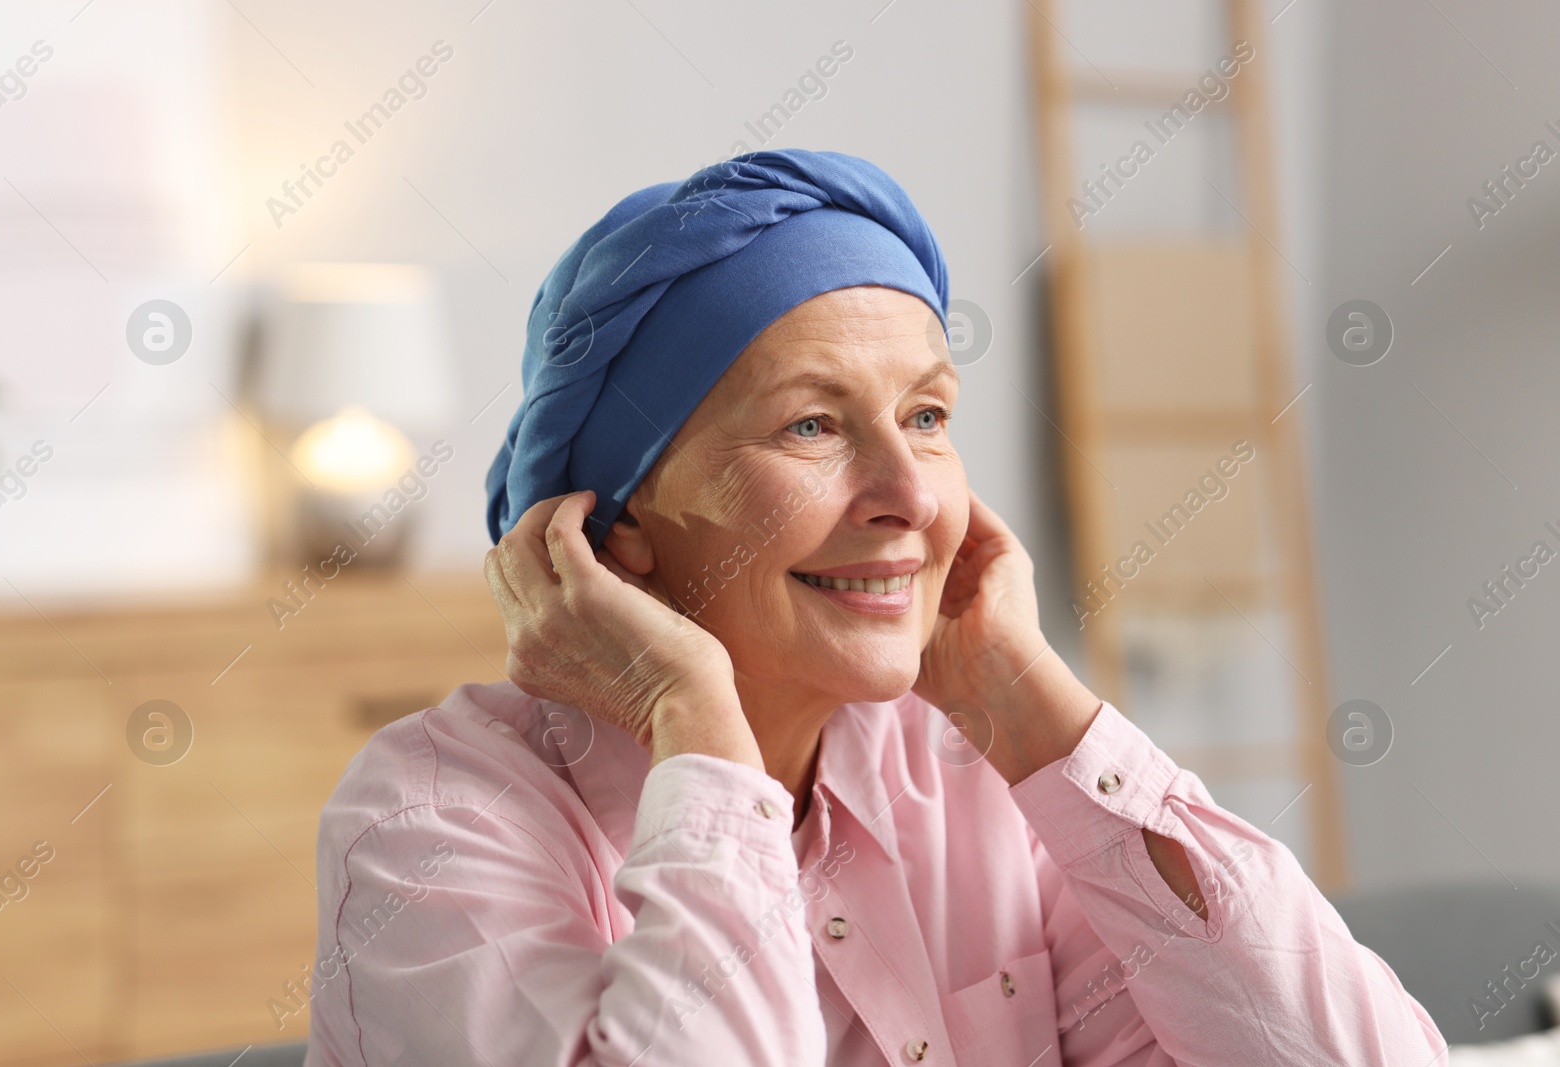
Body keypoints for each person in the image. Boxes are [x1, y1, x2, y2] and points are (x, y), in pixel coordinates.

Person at [302, 149, 1447, 1065]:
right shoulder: (432, 822)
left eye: (929, 415)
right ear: (623, 518)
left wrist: (1035, 710)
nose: (907, 495)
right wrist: (693, 727)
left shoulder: (968, 780)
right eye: (812, 424)